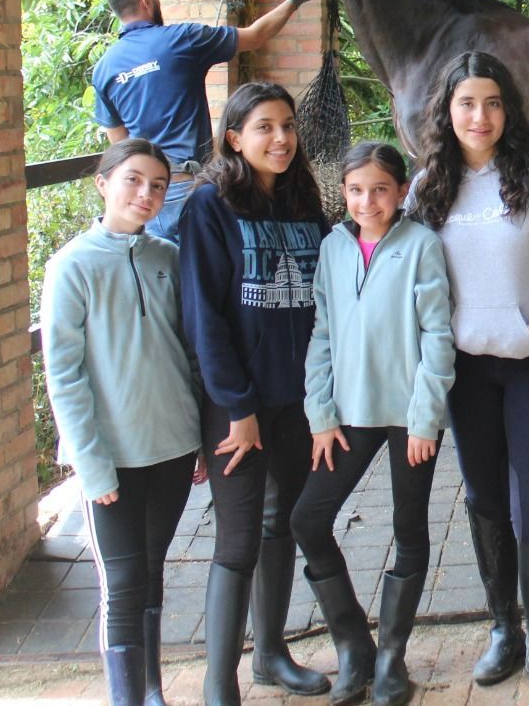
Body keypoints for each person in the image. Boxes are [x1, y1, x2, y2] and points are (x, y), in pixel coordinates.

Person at [407, 50, 529, 705]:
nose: (480, 115)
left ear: (509, 109)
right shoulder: (427, 187)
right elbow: (404, 279)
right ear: (447, 110)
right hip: (467, 373)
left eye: (492, 102)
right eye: (467, 103)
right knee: (486, 500)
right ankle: (504, 631)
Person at [179, 82, 331, 705]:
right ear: (235, 138)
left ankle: (270, 655)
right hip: (236, 406)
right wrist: (236, 409)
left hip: (297, 400)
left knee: (282, 526)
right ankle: (220, 684)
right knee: (238, 539)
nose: (281, 138)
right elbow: (204, 318)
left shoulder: (303, 205)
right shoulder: (210, 208)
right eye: (264, 127)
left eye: (288, 126)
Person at [291, 141, 456, 706]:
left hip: (411, 419)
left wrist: (426, 420)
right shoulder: (333, 248)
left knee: (408, 529)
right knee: (308, 521)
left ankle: (391, 657)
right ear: (344, 192)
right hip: (348, 417)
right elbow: (323, 333)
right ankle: (353, 647)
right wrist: (320, 413)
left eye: (381, 189)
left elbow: (437, 336)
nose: (368, 201)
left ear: (402, 190)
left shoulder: (422, 245)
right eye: (356, 190)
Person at [40, 139, 203, 706]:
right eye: (133, 180)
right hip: (110, 457)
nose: (146, 194)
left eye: (158, 185)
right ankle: (127, 697)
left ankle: (152, 688)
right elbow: (64, 374)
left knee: (153, 573)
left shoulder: (166, 257)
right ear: (103, 183)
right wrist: (91, 466)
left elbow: (187, 351)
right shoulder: (71, 266)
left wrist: (198, 438)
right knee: (123, 584)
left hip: (173, 447)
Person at [92, 0, 323, 241]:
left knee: (161, 276)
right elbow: (255, 36)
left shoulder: (104, 68)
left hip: (148, 196)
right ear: (147, 1)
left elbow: (119, 144)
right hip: (190, 188)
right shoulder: (181, 39)